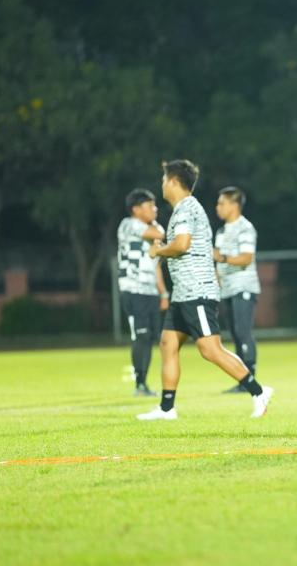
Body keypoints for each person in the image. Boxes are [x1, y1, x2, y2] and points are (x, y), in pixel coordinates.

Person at [136, 159, 273, 421]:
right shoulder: (182, 209)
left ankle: (258, 391)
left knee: (211, 350)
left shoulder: (187, 207)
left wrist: (159, 249)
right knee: (168, 343)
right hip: (183, 294)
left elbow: (182, 244)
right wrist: (167, 246)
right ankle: (167, 408)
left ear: (174, 182)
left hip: (197, 291)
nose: (162, 185)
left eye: (164, 180)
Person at [116, 188, 168, 397]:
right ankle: (140, 383)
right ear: (135, 209)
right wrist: (158, 228)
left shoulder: (151, 228)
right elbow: (159, 234)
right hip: (132, 288)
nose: (155, 209)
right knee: (141, 334)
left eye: (155, 206)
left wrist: (163, 293)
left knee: (149, 338)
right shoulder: (128, 224)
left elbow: (157, 266)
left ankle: (143, 383)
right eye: (149, 206)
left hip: (150, 292)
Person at [213, 186, 261, 393]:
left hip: (244, 286)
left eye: (222, 203)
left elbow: (246, 258)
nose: (218, 207)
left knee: (243, 332)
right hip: (227, 289)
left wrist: (222, 257)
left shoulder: (245, 228)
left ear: (235, 205)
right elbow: (218, 265)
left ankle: (249, 377)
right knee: (235, 334)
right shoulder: (221, 231)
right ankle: (242, 378)